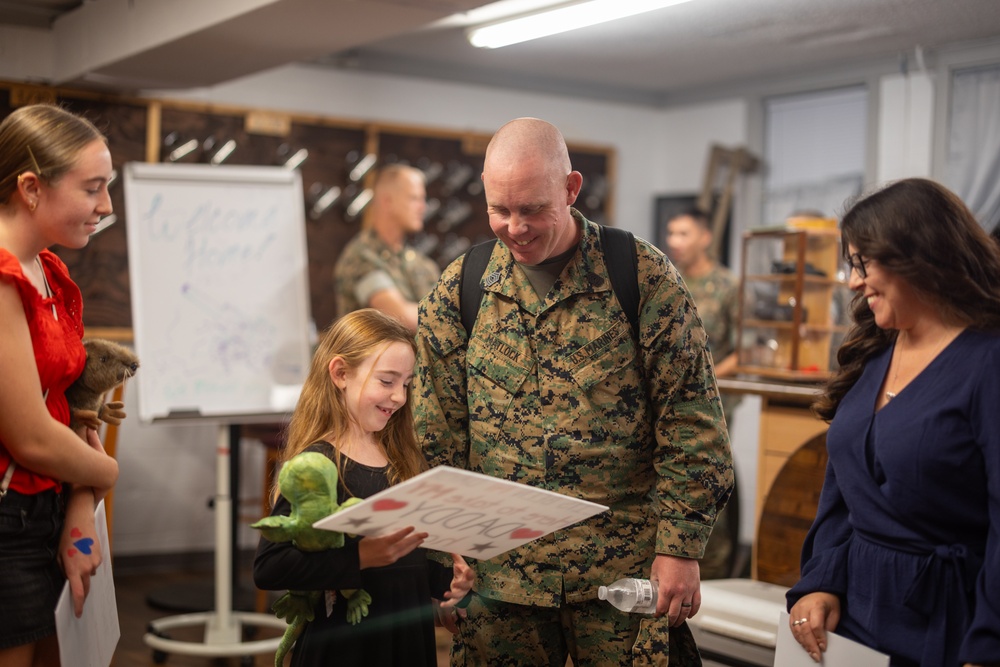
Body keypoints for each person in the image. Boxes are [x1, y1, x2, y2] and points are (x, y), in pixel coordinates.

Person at [413, 117, 733, 666]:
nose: (515, 227)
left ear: (571, 188)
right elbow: (435, 431)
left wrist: (680, 547)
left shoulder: (641, 276)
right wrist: (445, 554)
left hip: (622, 576)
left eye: (533, 209)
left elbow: (691, 420)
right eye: (499, 210)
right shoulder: (461, 287)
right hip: (501, 581)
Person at [787, 178, 1000, 667]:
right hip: (853, 617)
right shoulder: (873, 351)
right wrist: (820, 581)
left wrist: (988, 648)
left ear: (918, 257)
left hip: (951, 623)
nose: (853, 282)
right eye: (851, 265)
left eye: (863, 263)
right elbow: (841, 493)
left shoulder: (987, 363)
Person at [254, 308, 474, 666]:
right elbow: (270, 567)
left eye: (406, 384)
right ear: (341, 373)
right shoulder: (318, 465)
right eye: (387, 382)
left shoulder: (402, 459)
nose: (400, 397)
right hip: (343, 651)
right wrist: (359, 558)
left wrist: (451, 588)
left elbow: (406, 562)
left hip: (408, 646)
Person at [0, 104, 120, 666]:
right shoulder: (1, 280)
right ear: (30, 186)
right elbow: (32, 438)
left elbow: (69, 406)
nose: (106, 206)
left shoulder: (49, 270)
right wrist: (105, 472)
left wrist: (78, 504)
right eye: (92, 188)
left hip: (46, 506)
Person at [664, 207, 741, 579]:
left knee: (709, 474)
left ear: (705, 238)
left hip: (715, 400)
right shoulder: (667, 280)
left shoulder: (728, 286)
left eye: (684, 233)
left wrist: (703, 378)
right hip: (667, 399)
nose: (674, 242)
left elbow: (747, 347)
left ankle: (715, 566)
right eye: (672, 234)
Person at [333, 164, 441, 332]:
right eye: (414, 198)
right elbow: (400, 316)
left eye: (422, 199)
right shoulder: (361, 256)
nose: (423, 207)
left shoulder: (421, 264)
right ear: (387, 201)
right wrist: (450, 316)